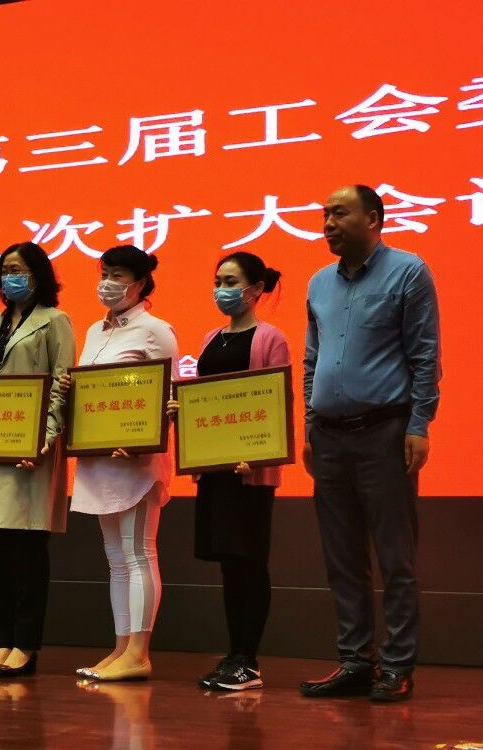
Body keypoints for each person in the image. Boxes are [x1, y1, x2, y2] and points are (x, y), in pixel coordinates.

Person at [299, 185, 440, 702]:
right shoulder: (318, 282)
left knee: (395, 558)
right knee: (341, 558)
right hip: (328, 436)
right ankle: (356, 661)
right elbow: (312, 359)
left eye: (339, 213)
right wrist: (309, 423)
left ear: (374, 218)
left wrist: (419, 424)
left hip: (385, 432)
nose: (327, 223)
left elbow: (425, 357)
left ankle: (397, 665)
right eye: (324, 214)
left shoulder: (408, 271)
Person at [168, 251, 288, 691]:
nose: (222, 289)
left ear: (256, 289)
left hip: (249, 472)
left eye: (231, 281)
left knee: (250, 562)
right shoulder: (210, 338)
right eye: (218, 280)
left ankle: (248, 661)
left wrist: (256, 452)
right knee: (230, 565)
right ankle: (234, 654)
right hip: (216, 468)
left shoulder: (270, 338)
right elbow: (207, 398)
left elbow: (275, 403)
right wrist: (182, 409)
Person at [63, 246, 178, 682]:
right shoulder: (95, 329)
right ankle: (121, 648)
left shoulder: (156, 330)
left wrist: (142, 439)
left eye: (118, 275)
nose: (108, 283)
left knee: (138, 553)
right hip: (99, 460)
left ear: (141, 283)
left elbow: (170, 396)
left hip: (136, 462)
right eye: (105, 273)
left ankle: (140, 653)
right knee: (116, 559)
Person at [0, 241, 75, 678]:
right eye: (4, 270)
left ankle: (25, 645)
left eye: (17, 270)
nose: (9, 277)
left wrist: (44, 438)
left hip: (33, 451)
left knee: (28, 552)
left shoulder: (55, 321)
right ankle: (1, 642)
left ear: (38, 274)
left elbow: (62, 382)